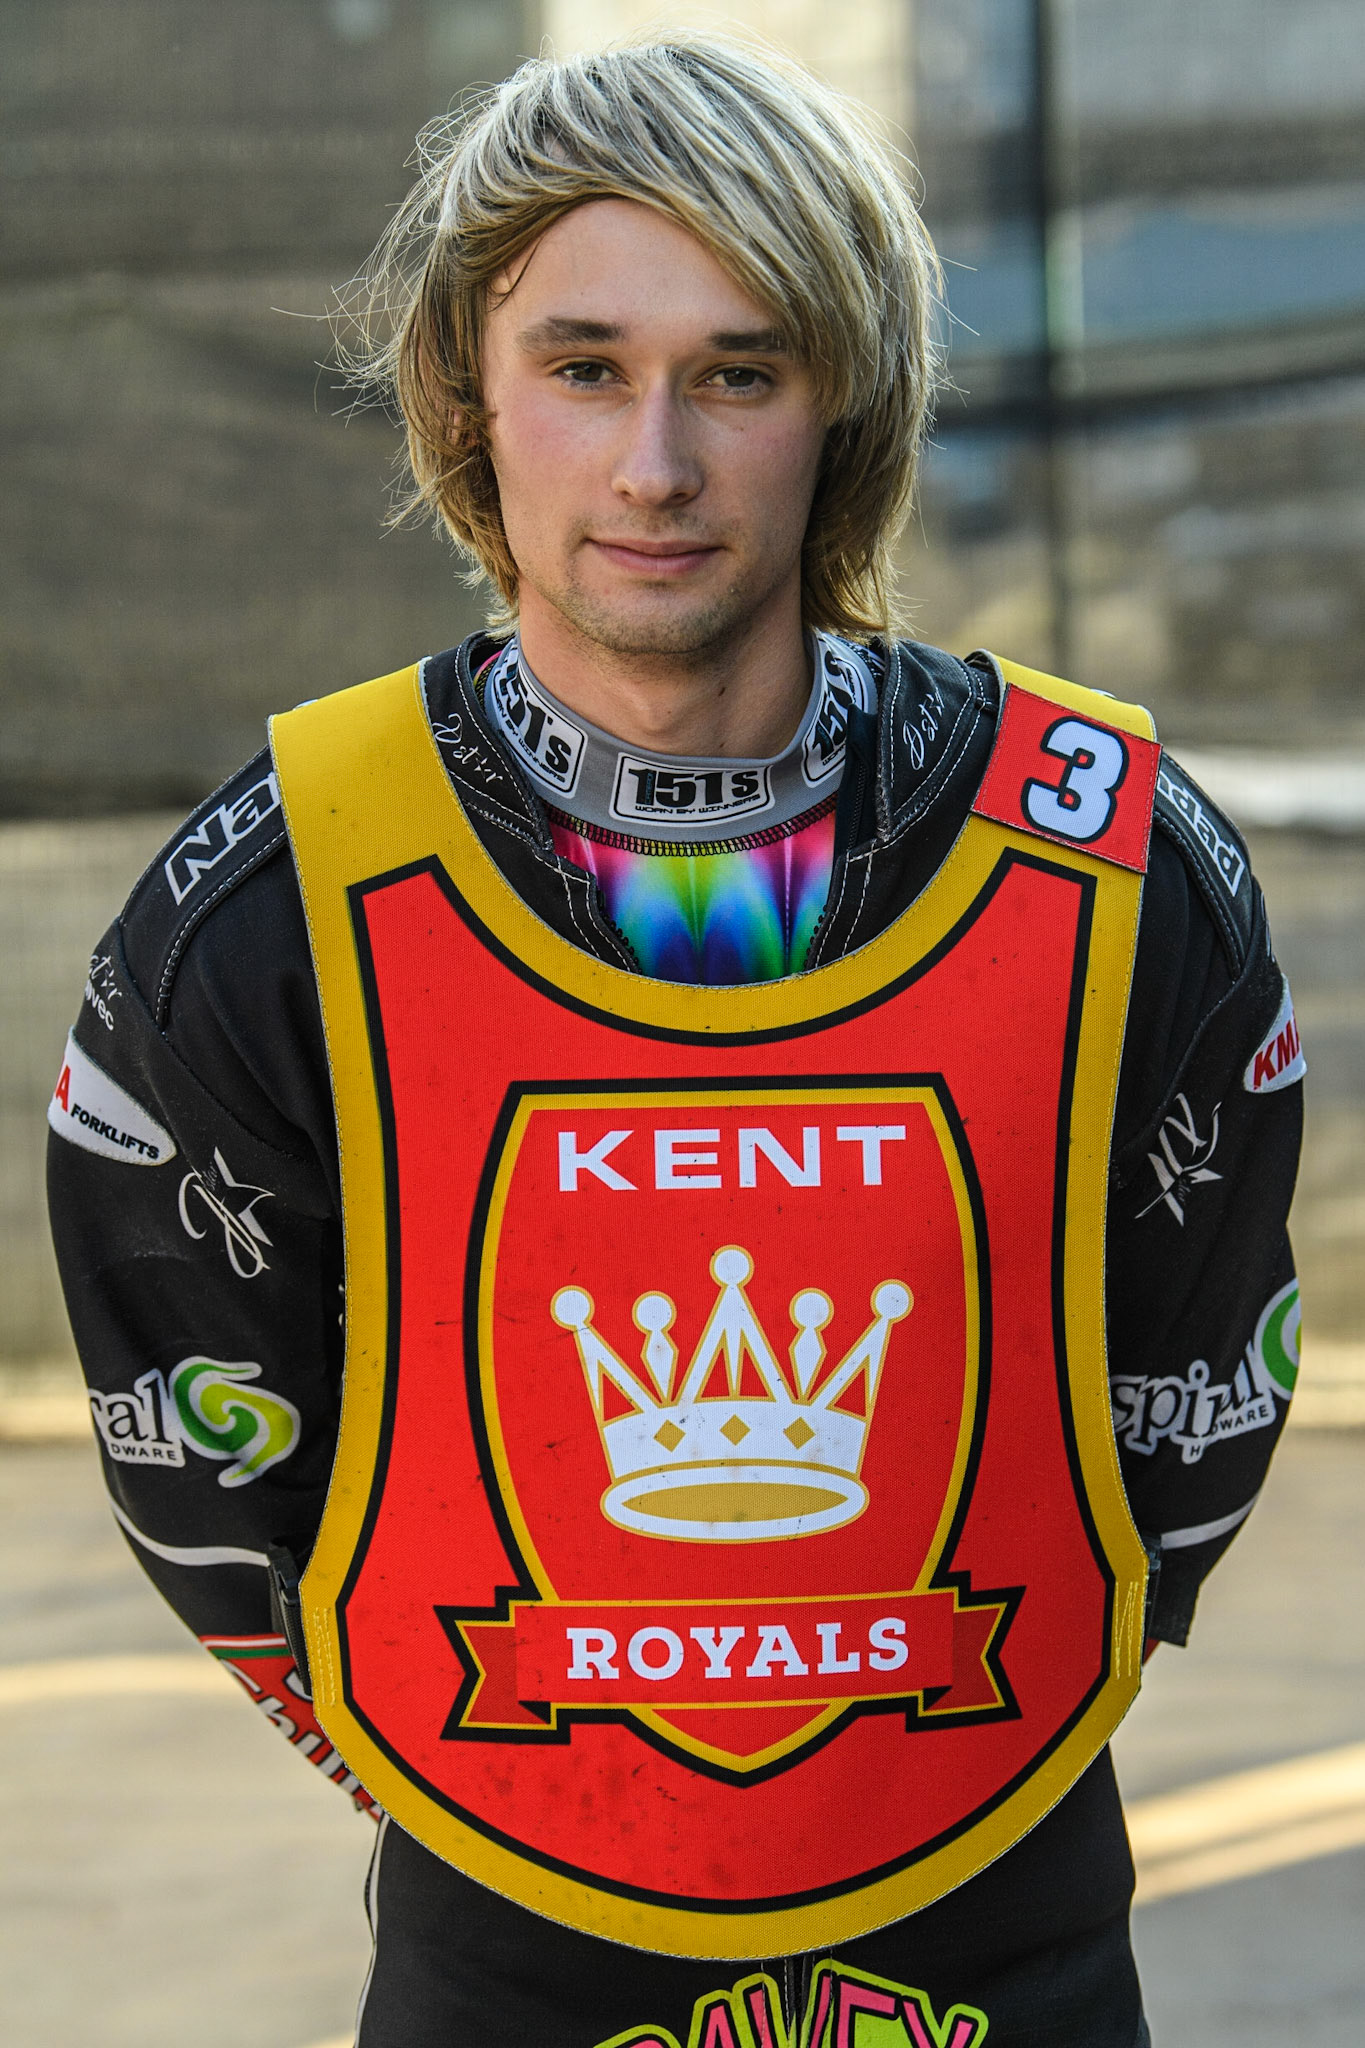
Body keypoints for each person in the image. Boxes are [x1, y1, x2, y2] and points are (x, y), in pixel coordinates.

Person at [48, 35, 1304, 2048]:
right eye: (582, 366)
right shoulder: (270, 909)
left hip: (1013, 1937)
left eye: (738, 370)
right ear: (468, 390)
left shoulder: (1118, 869)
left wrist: (901, 1756)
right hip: (501, 1950)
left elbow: (1188, 1394)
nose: (652, 464)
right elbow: (208, 1468)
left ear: (848, 406)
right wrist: (519, 1789)